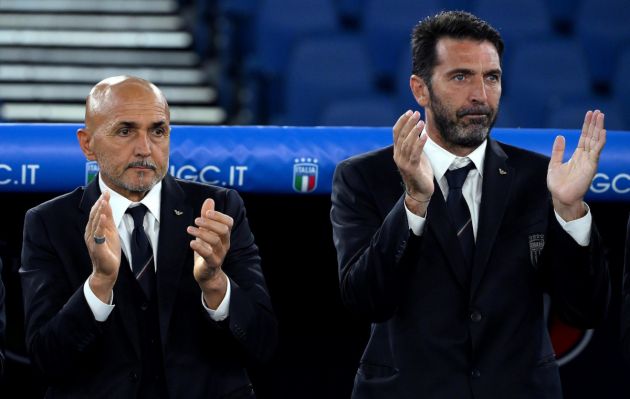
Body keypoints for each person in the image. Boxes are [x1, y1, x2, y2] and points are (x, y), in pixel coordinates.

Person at [331, 11, 610, 398]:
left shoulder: (542, 179)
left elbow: (586, 311)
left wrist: (570, 212)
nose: (480, 94)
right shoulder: (365, 177)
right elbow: (365, 301)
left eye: (491, 77)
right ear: (420, 89)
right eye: (461, 76)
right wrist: (413, 201)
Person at [20, 76, 277, 398]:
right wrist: (100, 282)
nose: (144, 149)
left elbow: (263, 345)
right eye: (125, 131)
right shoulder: (49, 223)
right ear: (87, 144)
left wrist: (215, 283)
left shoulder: (219, 210)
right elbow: (46, 359)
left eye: (157, 131)